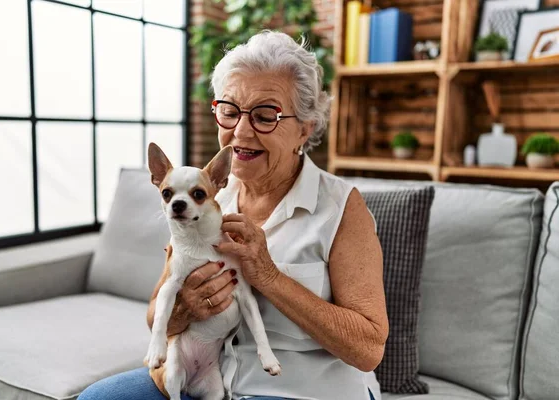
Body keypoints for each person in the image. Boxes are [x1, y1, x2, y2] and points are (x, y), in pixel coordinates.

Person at [79, 30, 388, 400]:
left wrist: (270, 277)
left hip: (305, 390)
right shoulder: (202, 199)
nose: (240, 131)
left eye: (264, 116)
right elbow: (155, 313)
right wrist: (183, 309)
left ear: (304, 129)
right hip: (207, 380)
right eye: (229, 112)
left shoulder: (340, 207)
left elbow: (368, 349)